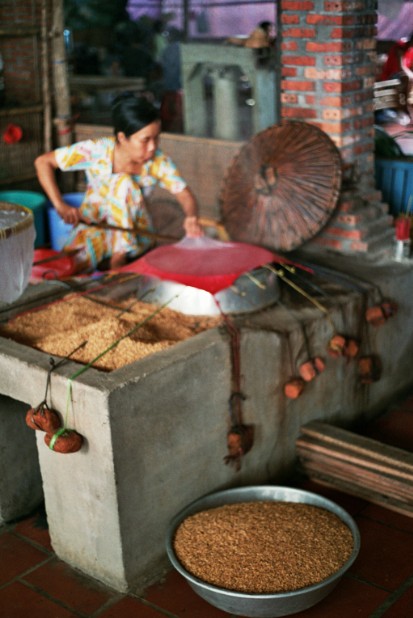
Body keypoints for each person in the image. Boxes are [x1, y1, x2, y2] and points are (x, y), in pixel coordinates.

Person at [35, 93, 203, 273]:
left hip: (137, 234)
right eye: (145, 140)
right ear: (123, 138)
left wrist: (191, 216)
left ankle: (119, 257)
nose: (153, 147)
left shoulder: (157, 161)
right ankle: (112, 260)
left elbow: (184, 194)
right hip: (95, 224)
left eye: (156, 138)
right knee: (67, 269)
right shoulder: (96, 151)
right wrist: (60, 205)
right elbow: (43, 162)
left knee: (124, 183)